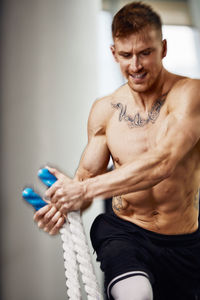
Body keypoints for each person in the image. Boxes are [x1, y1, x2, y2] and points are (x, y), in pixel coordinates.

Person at [34, 2, 200, 299]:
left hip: (184, 244)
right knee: (135, 295)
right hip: (125, 233)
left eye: (145, 53)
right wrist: (63, 203)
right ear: (114, 53)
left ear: (163, 48)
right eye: (126, 55)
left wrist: (83, 191)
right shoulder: (105, 111)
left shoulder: (190, 94)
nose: (135, 66)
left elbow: (163, 163)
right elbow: (84, 182)